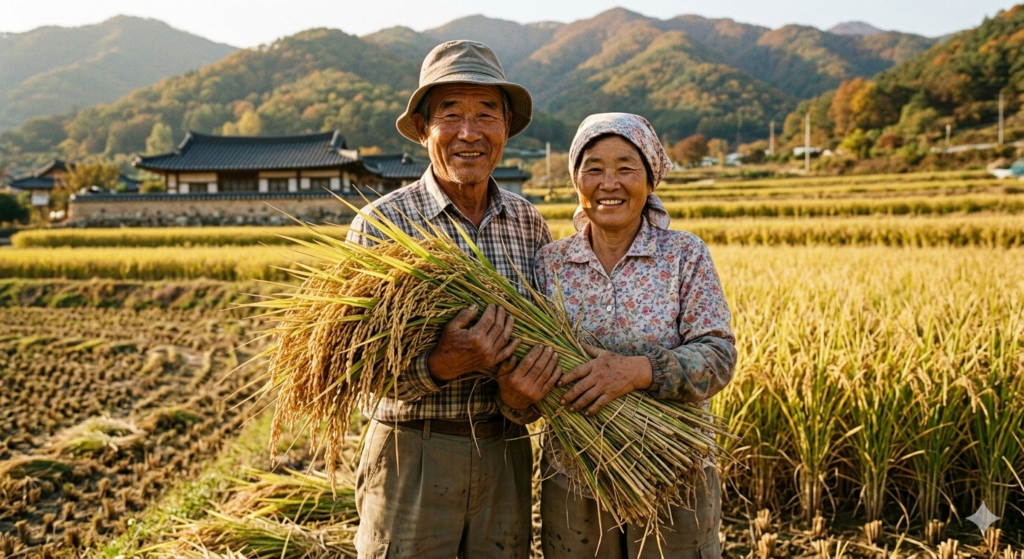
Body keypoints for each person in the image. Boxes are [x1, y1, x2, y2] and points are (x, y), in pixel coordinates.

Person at [346, 40, 560, 559]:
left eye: (486, 113)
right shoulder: (383, 225)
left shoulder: (528, 224)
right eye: (451, 115)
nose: (470, 132)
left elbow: (550, 342)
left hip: (505, 452)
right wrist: (441, 364)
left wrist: (520, 397)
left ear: (506, 127)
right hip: (411, 454)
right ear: (423, 129)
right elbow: (352, 368)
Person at [534, 113, 737, 559]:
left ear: (650, 179)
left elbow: (719, 357)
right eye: (593, 168)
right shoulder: (550, 264)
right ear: (576, 181)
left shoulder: (684, 254)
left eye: (626, 167)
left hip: (676, 467)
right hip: (576, 470)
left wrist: (638, 371)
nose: (609, 183)